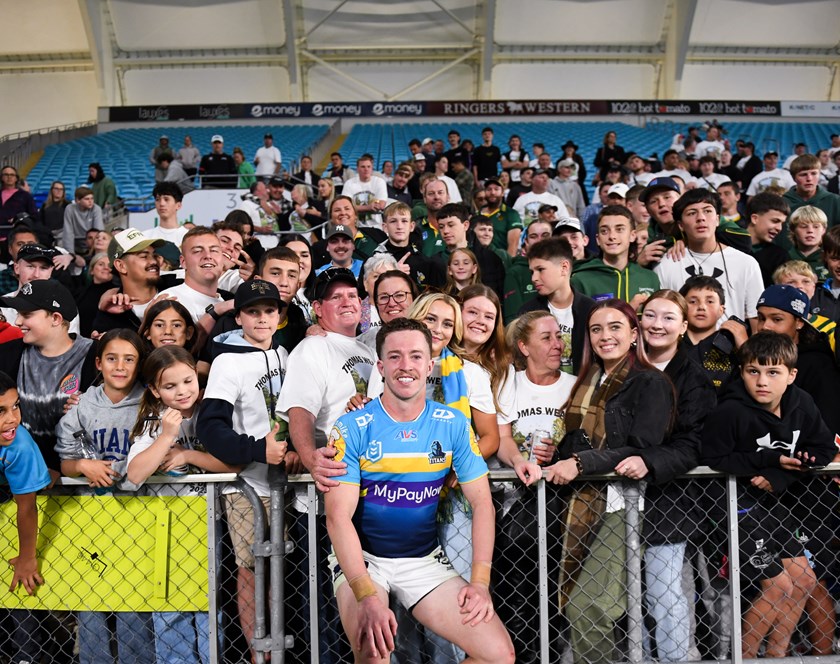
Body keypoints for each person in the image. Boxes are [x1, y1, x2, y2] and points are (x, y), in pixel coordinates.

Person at [323, 317, 515, 664]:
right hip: (366, 562)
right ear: (380, 367)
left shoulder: (453, 423)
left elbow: (482, 504)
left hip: (423, 559)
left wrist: (480, 583)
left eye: (415, 356)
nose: (406, 366)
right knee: (373, 651)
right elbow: (338, 518)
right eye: (394, 357)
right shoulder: (351, 426)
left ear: (430, 364)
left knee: (498, 655)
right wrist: (366, 595)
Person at [542, 299, 675, 664]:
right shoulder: (588, 381)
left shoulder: (650, 381)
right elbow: (578, 442)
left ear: (634, 334)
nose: (605, 336)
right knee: (579, 608)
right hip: (578, 504)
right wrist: (557, 455)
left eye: (615, 327)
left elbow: (643, 447)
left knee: (589, 608)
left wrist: (581, 462)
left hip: (625, 505)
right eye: (596, 329)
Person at [700, 331, 834, 658]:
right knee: (778, 586)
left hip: (775, 505)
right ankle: (745, 658)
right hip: (734, 507)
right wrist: (768, 461)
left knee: (803, 581)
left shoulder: (801, 402)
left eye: (773, 372)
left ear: (791, 375)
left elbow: (823, 447)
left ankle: (776, 657)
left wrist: (778, 474)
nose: (762, 381)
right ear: (742, 371)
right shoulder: (730, 411)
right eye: (753, 371)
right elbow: (710, 460)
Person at [277, 267, 375, 664]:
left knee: (369, 595)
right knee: (327, 602)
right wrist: (310, 454)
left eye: (353, 295)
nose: (348, 301)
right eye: (336, 297)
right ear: (317, 308)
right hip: (329, 494)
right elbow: (300, 408)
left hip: (373, 491)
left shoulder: (372, 344)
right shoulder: (312, 349)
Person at [197, 279, 289, 663]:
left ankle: (276, 647)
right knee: (251, 569)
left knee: (280, 570)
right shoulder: (227, 359)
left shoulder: (286, 354)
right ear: (238, 317)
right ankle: (258, 654)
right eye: (253, 311)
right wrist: (255, 451)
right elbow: (210, 427)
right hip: (247, 484)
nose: (262, 318)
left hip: (285, 485)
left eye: (269, 311)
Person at [127, 345, 235, 664]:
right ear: (155, 390)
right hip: (170, 527)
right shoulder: (155, 420)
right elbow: (134, 473)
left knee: (209, 609)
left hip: (212, 522)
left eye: (188, 381)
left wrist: (186, 455)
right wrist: (166, 437)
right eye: (170, 386)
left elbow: (235, 465)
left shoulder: (213, 411)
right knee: (170, 609)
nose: (182, 391)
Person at [54, 328, 154, 664]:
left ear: (139, 365)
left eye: (129, 359)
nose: (120, 367)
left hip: (140, 514)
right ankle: (92, 658)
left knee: (133, 595)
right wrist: (84, 464)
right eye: (112, 358)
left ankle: (136, 659)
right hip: (92, 515)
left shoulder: (149, 402)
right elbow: (65, 463)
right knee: (91, 594)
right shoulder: (83, 405)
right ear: (99, 362)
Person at [637, 291, 717, 663]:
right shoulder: (627, 364)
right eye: (650, 315)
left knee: (663, 590)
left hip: (670, 499)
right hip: (621, 495)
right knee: (629, 594)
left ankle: (675, 658)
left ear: (684, 327)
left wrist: (648, 462)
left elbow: (693, 443)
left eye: (668, 318)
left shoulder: (694, 378)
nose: (657, 324)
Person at [654, 188, 763, 329]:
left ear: (717, 219)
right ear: (681, 225)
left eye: (707, 211)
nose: (701, 218)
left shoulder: (746, 263)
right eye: (692, 213)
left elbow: (756, 318)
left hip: (733, 347)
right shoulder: (666, 264)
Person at [519, 237, 596, 374]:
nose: (533, 278)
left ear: (564, 268)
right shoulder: (528, 312)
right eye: (532, 272)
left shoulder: (590, 309)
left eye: (540, 269)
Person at [571, 205, 659, 306]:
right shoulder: (580, 279)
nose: (612, 236)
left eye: (619, 229)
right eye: (604, 231)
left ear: (632, 235)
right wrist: (630, 309)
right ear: (598, 239)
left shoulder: (650, 278)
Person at [91, 228, 167, 334]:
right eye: (144, 256)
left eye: (154, 255)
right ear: (121, 266)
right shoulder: (110, 316)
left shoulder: (176, 287)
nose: (154, 261)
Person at [159, 226, 228, 324]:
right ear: (183, 262)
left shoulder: (226, 303)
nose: (208, 256)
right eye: (197, 251)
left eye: (214, 250)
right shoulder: (170, 299)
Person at [437, 203, 505, 298]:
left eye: (451, 225)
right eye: (441, 226)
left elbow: (497, 297)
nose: (445, 231)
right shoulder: (434, 263)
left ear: (465, 225)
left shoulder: (489, 259)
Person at [781, 153, 840, 251]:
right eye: (803, 174)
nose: (809, 179)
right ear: (793, 178)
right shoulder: (781, 203)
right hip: (788, 259)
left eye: (814, 173)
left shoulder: (835, 201)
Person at [746, 192, 791, 286]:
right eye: (775, 221)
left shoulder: (780, 256)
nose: (779, 228)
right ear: (754, 218)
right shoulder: (726, 246)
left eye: (782, 223)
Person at [475, 177, 523, 256]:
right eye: (489, 189)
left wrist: (507, 264)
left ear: (502, 193)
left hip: (500, 261)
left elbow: (513, 246)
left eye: (496, 189)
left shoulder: (511, 214)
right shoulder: (477, 214)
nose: (492, 192)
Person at [787, 205, 828, 282]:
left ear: (824, 230)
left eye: (816, 227)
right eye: (803, 226)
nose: (810, 230)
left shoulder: (829, 260)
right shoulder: (784, 259)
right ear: (793, 230)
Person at [62, 186, 103, 256]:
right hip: (75, 241)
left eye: (92, 198)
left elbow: (98, 231)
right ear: (78, 200)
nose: (91, 201)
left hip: (92, 241)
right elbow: (68, 232)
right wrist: (71, 254)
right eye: (87, 199)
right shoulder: (69, 209)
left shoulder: (96, 209)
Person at [145, 182, 189, 246]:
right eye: (158, 199)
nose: (162, 204)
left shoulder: (188, 237)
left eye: (166, 199)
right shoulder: (146, 237)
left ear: (178, 205)